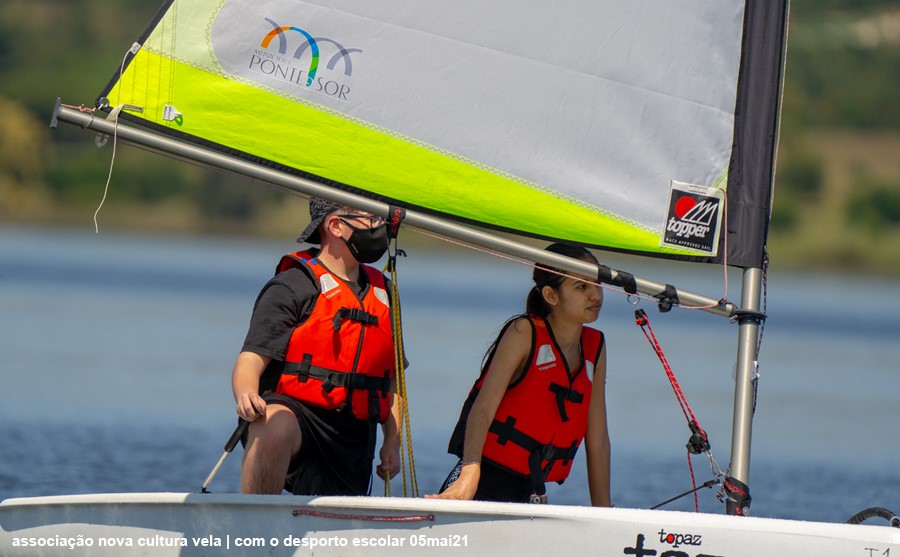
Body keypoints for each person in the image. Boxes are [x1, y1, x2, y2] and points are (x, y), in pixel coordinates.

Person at [232, 197, 402, 495]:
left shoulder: (383, 292)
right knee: (273, 425)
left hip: (353, 435)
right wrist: (246, 394)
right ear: (336, 226)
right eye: (369, 218)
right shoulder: (293, 285)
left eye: (380, 218)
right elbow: (250, 360)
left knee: (336, 528)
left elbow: (392, 381)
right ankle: (255, 529)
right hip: (297, 416)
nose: (380, 225)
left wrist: (392, 440)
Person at [426, 243, 611, 506]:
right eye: (582, 287)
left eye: (597, 284)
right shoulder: (524, 332)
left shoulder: (596, 347)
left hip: (531, 489)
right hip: (482, 478)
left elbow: (598, 439)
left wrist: (604, 512)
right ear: (551, 295)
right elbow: (483, 408)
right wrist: (469, 472)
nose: (596, 295)